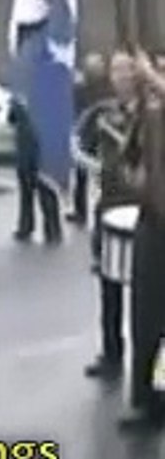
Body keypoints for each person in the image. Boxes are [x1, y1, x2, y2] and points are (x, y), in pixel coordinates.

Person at [84, 51, 141, 381]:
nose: (121, 76)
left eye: (128, 69)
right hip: (110, 203)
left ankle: (158, 373)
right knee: (109, 285)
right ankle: (111, 353)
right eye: (116, 69)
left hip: (147, 207)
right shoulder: (103, 114)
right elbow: (83, 145)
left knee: (151, 300)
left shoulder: (153, 110)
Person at [121, 52, 165, 433]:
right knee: (146, 316)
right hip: (153, 220)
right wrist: (136, 177)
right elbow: (130, 156)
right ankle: (145, 397)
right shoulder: (150, 114)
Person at [9, 94, 62, 245]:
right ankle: (39, 228)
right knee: (34, 190)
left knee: (41, 191)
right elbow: (12, 118)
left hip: (39, 148)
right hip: (31, 149)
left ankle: (43, 229)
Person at [70, 53, 108, 224]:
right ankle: (80, 211)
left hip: (103, 133)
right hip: (87, 133)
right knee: (81, 173)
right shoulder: (80, 87)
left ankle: (100, 209)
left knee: (105, 173)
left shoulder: (106, 87)